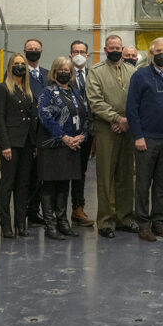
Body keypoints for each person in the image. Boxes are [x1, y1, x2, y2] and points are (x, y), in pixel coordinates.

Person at [126, 38, 163, 242]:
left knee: (162, 183)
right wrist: (138, 136)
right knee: (143, 184)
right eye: (158, 50)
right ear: (151, 54)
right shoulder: (140, 76)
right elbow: (131, 109)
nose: (162, 54)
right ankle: (143, 224)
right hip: (147, 140)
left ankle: (159, 222)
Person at [86, 34, 138, 238]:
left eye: (118, 47)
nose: (115, 50)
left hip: (128, 128)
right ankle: (106, 221)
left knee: (126, 175)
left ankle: (125, 218)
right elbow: (95, 101)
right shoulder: (96, 72)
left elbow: (137, 99)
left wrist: (127, 122)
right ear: (105, 50)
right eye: (111, 48)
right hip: (106, 128)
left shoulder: (133, 72)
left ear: (122, 49)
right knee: (106, 176)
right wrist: (116, 119)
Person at [39, 56, 90, 240]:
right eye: (61, 69)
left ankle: (63, 222)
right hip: (53, 146)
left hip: (73, 146)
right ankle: (50, 224)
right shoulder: (47, 92)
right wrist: (64, 137)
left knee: (64, 184)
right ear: (54, 71)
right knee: (50, 185)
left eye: (68, 70)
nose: (65, 72)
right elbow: (45, 117)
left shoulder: (76, 93)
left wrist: (82, 136)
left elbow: (86, 116)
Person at [0, 53, 38, 238]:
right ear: (10, 66)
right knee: (7, 184)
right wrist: (4, 145)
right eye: (16, 63)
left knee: (23, 185)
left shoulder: (27, 90)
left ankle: (21, 223)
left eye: (22, 64)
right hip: (11, 143)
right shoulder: (2, 88)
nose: (20, 66)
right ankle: (6, 225)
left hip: (27, 143)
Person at [69, 40, 95, 228]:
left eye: (82, 51)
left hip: (87, 132)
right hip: (67, 134)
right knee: (62, 172)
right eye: (75, 51)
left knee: (80, 171)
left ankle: (78, 208)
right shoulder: (62, 75)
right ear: (70, 55)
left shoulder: (92, 76)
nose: (79, 54)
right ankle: (57, 210)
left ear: (87, 55)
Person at [24, 38, 48, 225]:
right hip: (26, 132)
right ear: (24, 51)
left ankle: (34, 210)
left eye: (36, 49)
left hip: (45, 131)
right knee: (25, 173)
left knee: (40, 174)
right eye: (30, 49)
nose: (33, 51)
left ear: (41, 51)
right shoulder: (18, 73)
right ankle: (21, 210)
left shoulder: (47, 75)